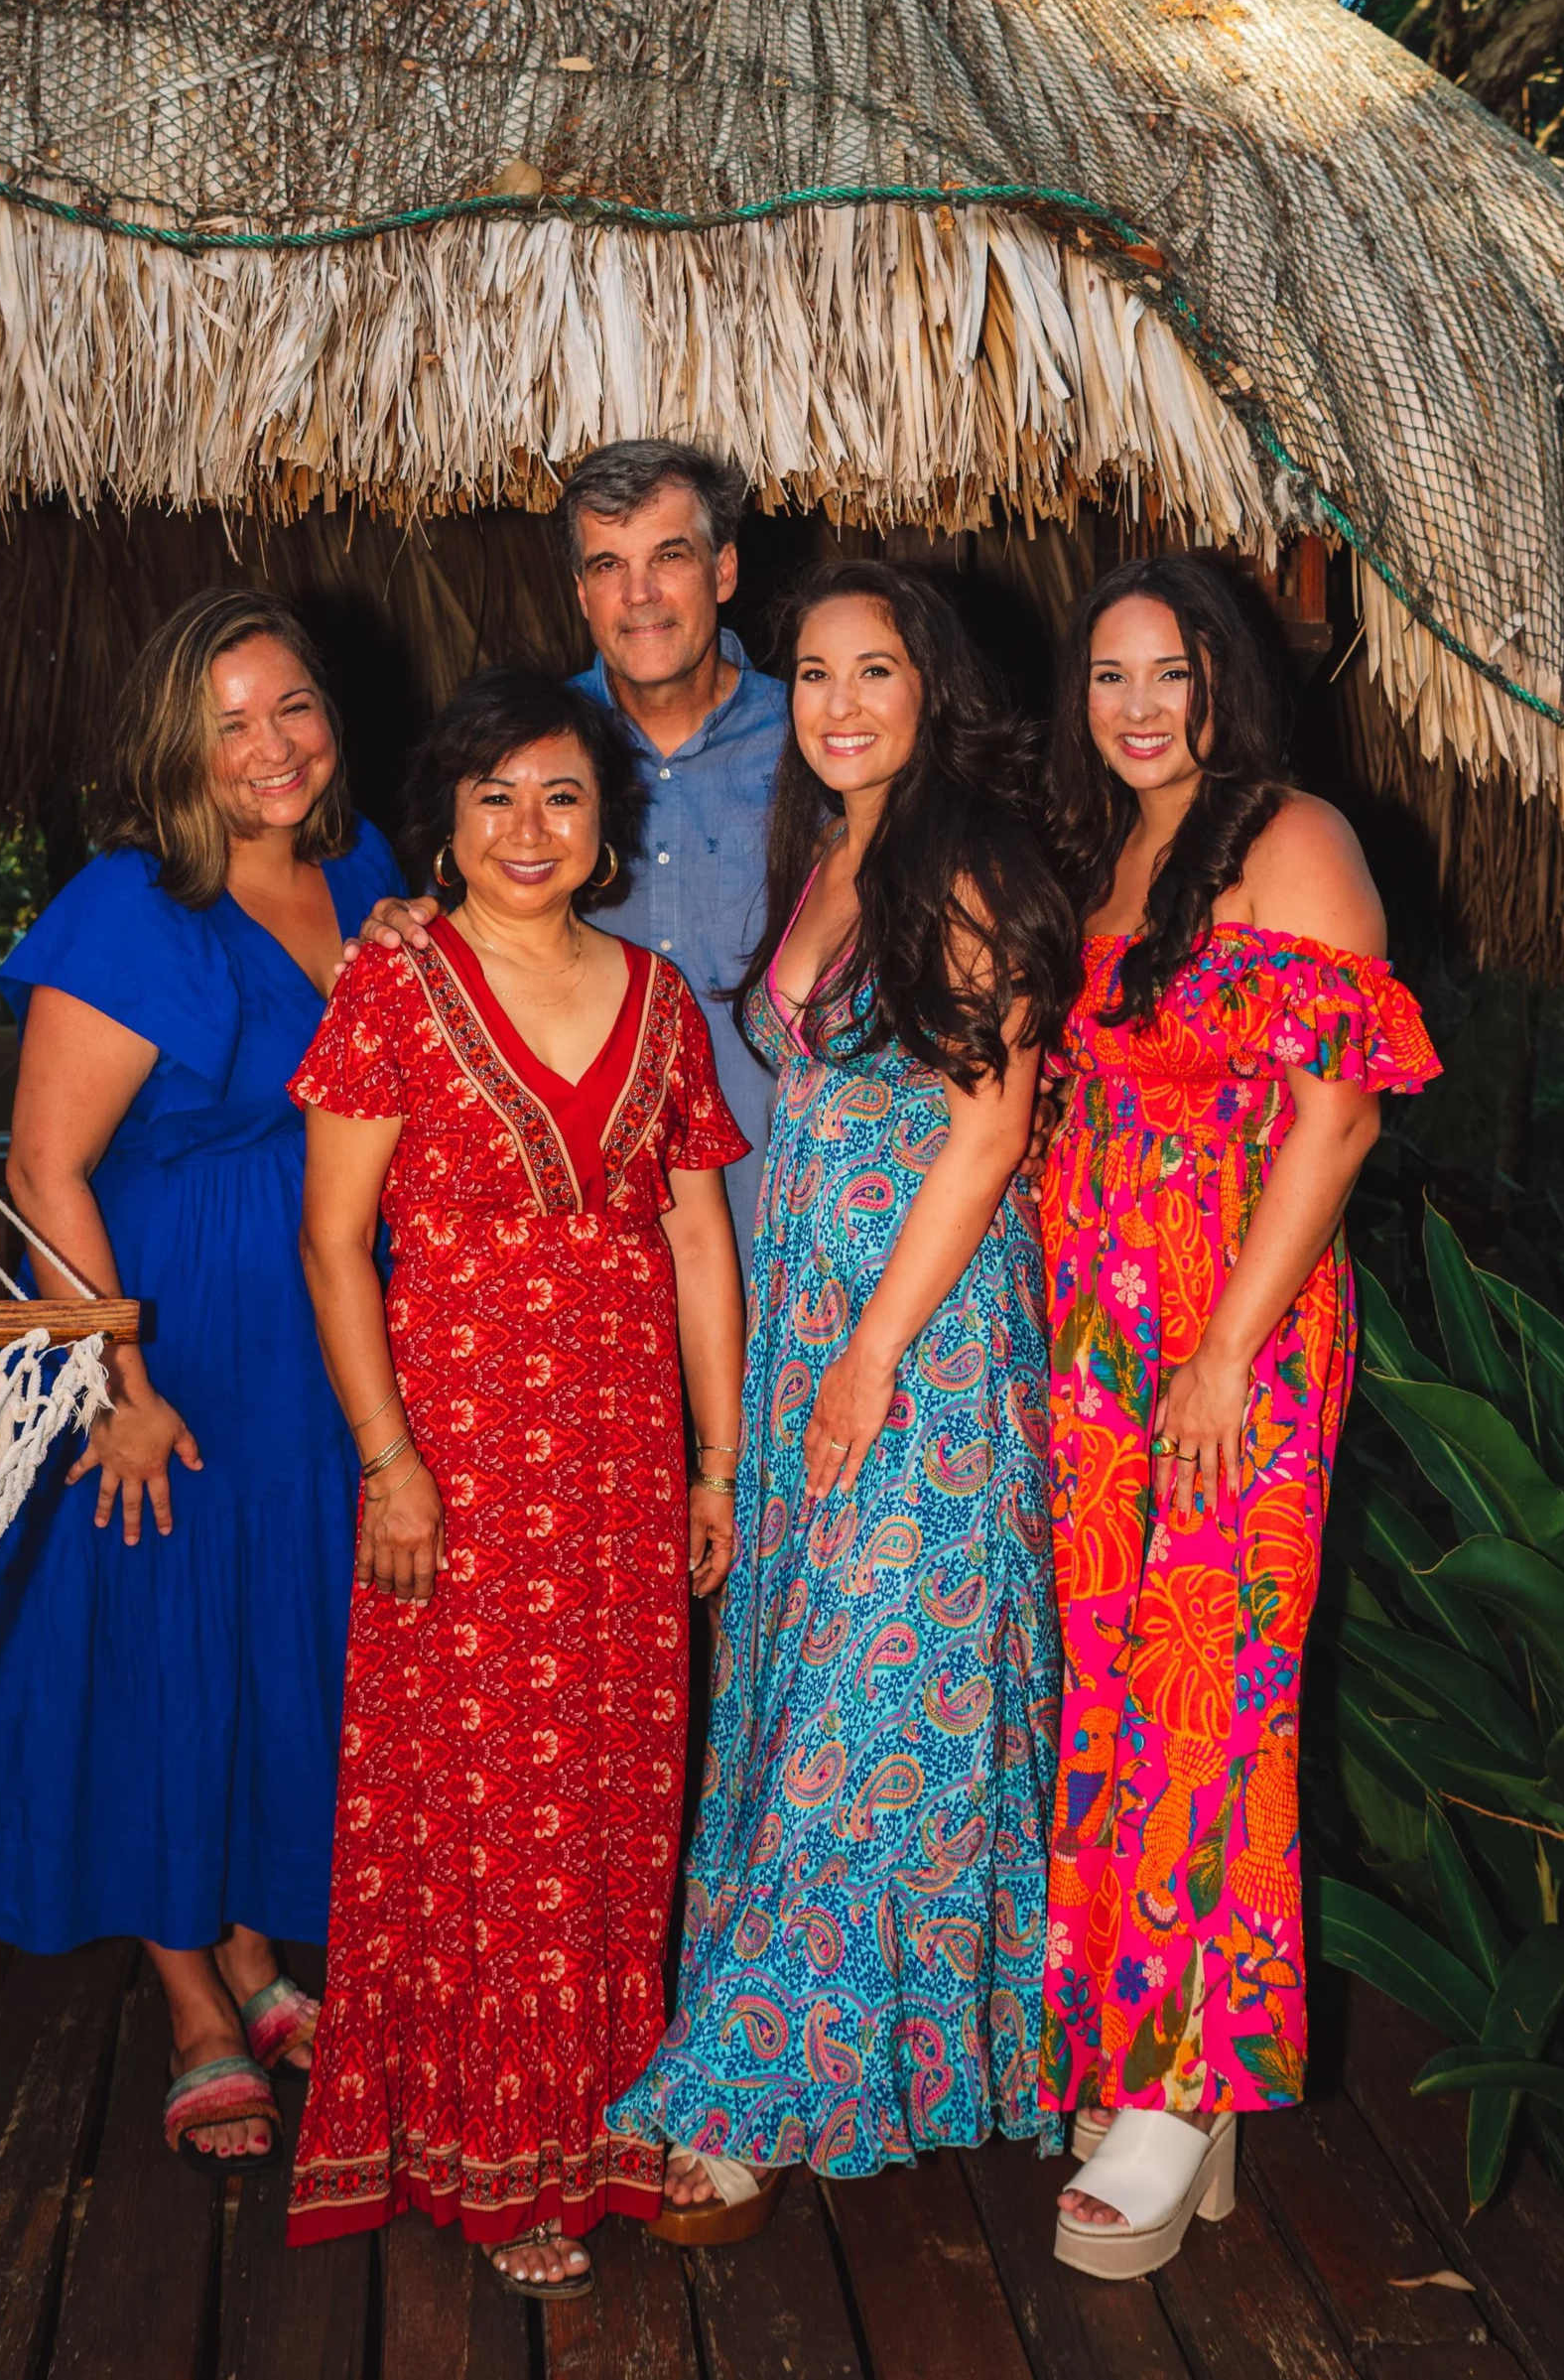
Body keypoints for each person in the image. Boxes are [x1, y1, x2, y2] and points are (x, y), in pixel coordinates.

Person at [0, 590, 402, 2170]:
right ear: (177, 746)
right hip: (172, 1327)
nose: (272, 747)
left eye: (294, 708)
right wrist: (114, 1378)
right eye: (231, 720)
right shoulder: (130, 904)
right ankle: (188, 1993)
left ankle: (250, 1943)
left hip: (331, 1316)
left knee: (279, 1632)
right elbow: (45, 1164)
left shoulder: (367, 864)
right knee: (165, 1637)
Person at [607, 560, 1077, 2235]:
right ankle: (833, 2040)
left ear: (930, 689)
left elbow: (990, 1126)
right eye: (811, 673)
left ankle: (761, 2076)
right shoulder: (838, 858)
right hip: (822, 1322)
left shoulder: (966, 857)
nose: (839, 702)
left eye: (873, 670)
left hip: (927, 1339)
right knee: (815, 1675)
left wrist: (874, 1353)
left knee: (885, 1695)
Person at [285, 671, 748, 2297]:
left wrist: (718, 1460)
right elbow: (335, 1243)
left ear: (604, 821)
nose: (530, 828)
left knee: (618, 1792)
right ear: (449, 824)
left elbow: (696, 1238)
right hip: (459, 1467)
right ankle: (493, 2149)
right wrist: (388, 1459)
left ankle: (607, 2121)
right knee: (480, 1807)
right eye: (494, 799)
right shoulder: (395, 992)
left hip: (622, 1468)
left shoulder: (664, 1000)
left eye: (560, 795)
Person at [1035, 555, 1439, 2280]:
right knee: (1118, 1680)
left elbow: (1336, 1121)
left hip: (1229, 1338)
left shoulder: (1294, 840)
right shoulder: (1116, 849)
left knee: (1215, 1686)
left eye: (1170, 673)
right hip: (1093, 1349)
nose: (1137, 707)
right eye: (1111, 676)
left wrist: (1220, 1353)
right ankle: (1135, 2038)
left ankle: (1191, 2078)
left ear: (1226, 684)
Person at [348, 440, 786, 1243]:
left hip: (795, 1228)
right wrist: (407, 924)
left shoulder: (814, 748)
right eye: (608, 565)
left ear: (723, 570)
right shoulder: (526, 759)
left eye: (669, 556)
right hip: (591, 1259)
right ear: (580, 591)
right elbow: (468, 944)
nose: (640, 594)